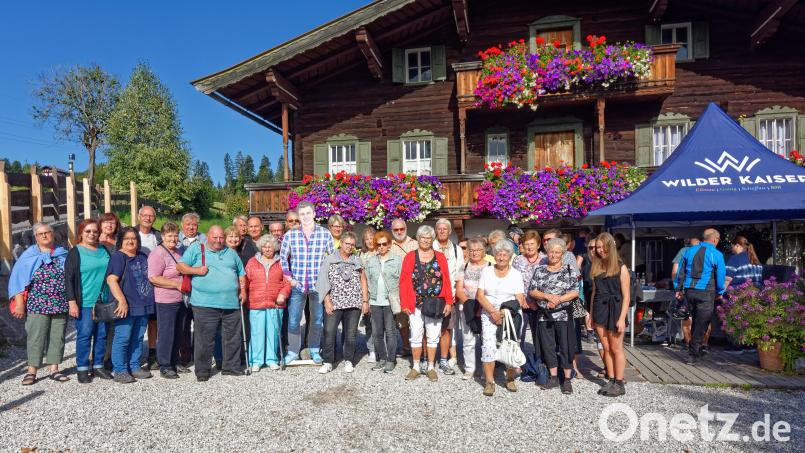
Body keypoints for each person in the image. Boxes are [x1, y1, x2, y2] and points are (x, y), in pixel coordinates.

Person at [177, 226, 247, 381]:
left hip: (231, 304)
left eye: (221, 237)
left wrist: (243, 291)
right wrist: (196, 271)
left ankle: (231, 367)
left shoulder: (231, 253)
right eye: (215, 237)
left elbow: (241, 273)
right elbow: (180, 266)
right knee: (204, 339)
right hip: (204, 303)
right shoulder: (196, 249)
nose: (218, 240)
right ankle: (202, 371)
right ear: (208, 236)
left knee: (232, 337)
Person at [9, 222, 70, 385]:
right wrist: (20, 303)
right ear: (35, 237)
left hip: (60, 302)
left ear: (53, 234)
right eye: (40, 234)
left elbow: (71, 278)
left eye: (47, 232)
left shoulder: (62, 254)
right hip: (38, 303)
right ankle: (32, 371)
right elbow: (17, 281)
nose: (44, 235)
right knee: (36, 337)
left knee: (58, 336)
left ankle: (54, 369)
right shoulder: (28, 256)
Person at [279, 201, 334, 364]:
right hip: (298, 285)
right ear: (298, 216)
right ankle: (293, 351)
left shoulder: (325, 234)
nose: (305, 217)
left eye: (308, 213)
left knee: (317, 320)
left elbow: (332, 258)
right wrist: (290, 278)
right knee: (294, 320)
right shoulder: (290, 235)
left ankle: (314, 350)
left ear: (314, 214)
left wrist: (327, 281)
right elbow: (283, 258)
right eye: (302, 214)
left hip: (318, 286)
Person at [400, 225, 453, 382]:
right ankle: (416, 367)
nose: (425, 240)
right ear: (418, 239)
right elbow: (403, 282)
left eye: (428, 238)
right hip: (415, 303)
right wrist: (404, 303)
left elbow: (447, 280)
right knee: (416, 335)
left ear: (432, 239)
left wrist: (449, 302)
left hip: (436, 303)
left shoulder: (440, 257)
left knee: (433, 336)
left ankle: (430, 367)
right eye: (422, 237)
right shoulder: (410, 257)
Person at [529, 237, 580, 395]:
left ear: (562, 253)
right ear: (547, 252)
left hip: (563, 315)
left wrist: (558, 299)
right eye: (551, 251)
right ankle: (552, 377)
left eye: (557, 252)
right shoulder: (539, 270)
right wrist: (547, 297)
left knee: (565, 347)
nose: (554, 254)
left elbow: (575, 292)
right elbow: (532, 291)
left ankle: (566, 379)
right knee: (548, 346)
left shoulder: (570, 269)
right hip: (544, 315)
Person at [476, 239, 526, 396]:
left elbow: (519, 298)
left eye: (505, 255)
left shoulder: (516, 274)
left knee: (509, 345)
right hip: (489, 313)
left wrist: (504, 312)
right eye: (498, 254)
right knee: (489, 347)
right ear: (494, 255)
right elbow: (480, 295)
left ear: (510, 256)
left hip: (510, 315)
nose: (501, 257)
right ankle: (489, 382)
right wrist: (493, 312)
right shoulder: (486, 271)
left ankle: (509, 378)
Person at [107, 226, 156, 384]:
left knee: (138, 337)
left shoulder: (142, 255)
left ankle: (134, 366)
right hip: (126, 305)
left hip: (143, 304)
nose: (130, 241)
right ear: (121, 240)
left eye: (133, 238)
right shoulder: (118, 257)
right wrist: (121, 300)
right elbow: (111, 280)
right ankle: (120, 369)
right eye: (127, 238)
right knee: (123, 337)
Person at [66, 219, 113, 383]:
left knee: (102, 335)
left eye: (94, 231)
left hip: (103, 301)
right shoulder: (75, 252)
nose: (92, 234)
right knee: (85, 335)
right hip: (85, 302)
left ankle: (98, 365)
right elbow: (69, 279)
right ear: (81, 233)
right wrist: (72, 301)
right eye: (88, 231)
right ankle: (82, 368)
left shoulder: (104, 250)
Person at [316, 232, 368, 373]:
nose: (349, 247)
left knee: (350, 334)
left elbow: (363, 280)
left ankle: (348, 360)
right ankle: (327, 361)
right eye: (347, 243)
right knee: (329, 331)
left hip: (353, 303)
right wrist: (327, 301)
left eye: (352, 244)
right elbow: (322, 280)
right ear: (341, 243)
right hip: (334, 302)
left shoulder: (357, 260)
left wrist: (365, 300)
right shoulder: (330, 259)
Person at [675, 228, 726, 365]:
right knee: (701, 323)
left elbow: (680, 272)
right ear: (715, 239)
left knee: (696, 320)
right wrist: (720, 292)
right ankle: (693, 354)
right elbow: (720, 277)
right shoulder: (716, 254)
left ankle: (695, 350)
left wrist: (678, 289)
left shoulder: (689, 251)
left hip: (689, 291)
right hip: (706, 291)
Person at [590, 233, 631, 397]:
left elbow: (626, 296)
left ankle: (620, 383)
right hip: (600, 308)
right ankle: (611, 379)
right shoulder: (596, 265)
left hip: (615, 309)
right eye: (597, 247)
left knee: (616, 348)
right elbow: (594, 292)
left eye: (602, 247)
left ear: (610, 247)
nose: (600, 251)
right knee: (605, 348)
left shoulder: (621, 267)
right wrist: (591, 314)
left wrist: (622, 318)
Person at [147, 222, 189, 379]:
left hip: (181, 299)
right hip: (166, 299)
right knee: (166, 332)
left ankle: (175, 360)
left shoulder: (179, 252)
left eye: (175, 235)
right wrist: (176, 284)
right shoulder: (158, 253)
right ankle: (164, 364)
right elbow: (153, 277)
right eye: (169, 235)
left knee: (179, 331)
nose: (173, 238)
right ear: (163, 237)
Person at [244, 235, 291, 372]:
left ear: (275, 247)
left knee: (274, 332)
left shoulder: (282, 262)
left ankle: (271, 359)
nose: (267, 249)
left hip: (276, 303)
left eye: (270, 246)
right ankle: (256, 361)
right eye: (264, 246)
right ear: (260, 247)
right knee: (257, 333)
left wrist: (283, 294)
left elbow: (288, 282)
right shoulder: (252, 262)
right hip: (256, 302)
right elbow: (246, 280)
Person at [364, 231, 402, 373]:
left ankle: (391, 360)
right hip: (375, 301)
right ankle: (382, 359)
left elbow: (402, 281)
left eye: (384, 244)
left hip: (389, 301)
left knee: (391, 332)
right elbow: (367, 281)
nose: (381, 247)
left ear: (389, 245)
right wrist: (366, 301)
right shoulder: (371, 261)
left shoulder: (397, 260)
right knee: (377, 332)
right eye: (378, 244)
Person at [454, 237, 489, 380]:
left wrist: (481, 305)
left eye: (478, 250)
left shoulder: (490, 267)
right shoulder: (464, 266)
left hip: (485, 307)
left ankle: (485, 369)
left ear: (484, 251)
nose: (475, 253)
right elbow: (459, 289)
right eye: (472, 250)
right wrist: (469, 304)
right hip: (467, 307)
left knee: (486, 340)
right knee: (468, 339)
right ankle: (470, 368)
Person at [432, 218, 464, 375]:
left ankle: (443, 360)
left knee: (446, 328)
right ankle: (427, 359)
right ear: (436, 231)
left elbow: (459, 274)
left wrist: (455, 295)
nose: (443, 231)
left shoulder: (457, 250)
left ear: (450, 231)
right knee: (428, 329)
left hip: (449, 295)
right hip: (431, 295)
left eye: (445, 229)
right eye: (440, 228)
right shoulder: (429, 247)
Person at [511, 230, 542, 381]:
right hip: (522, 302)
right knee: (519, 335)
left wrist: (537, 301)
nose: (529, 247)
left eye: (532, 244)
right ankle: (520, 366)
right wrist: (522, 299)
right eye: (526, 244)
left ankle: (538, 366)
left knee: (539, 336)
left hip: (540, 304)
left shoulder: (544, 259)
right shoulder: (518, 260)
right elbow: (514, 281)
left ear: (538, 245)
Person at [135, 205, 161, 369]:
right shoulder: (130, 233)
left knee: (153, 320)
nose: (147, 218)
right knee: (136, 319)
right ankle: (134, 355)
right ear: (139, 216)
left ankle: (152, 351)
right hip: (134, 282)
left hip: (153, 283)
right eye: (145, 215)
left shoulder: (158, 236)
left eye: (151, 216)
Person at [389, 218, 417, 357]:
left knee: (417, 320)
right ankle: (406, 347)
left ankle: (419, 349)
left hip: (414, 288)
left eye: (401, 229)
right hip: (397, 289)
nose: (399, 232)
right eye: (396, 230)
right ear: (392, 230)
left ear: (406, 228)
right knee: (401, 321)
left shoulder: (415, 244)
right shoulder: (389, 245)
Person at [670, 237, 700, 349]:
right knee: (702, 316)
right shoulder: (707, 252)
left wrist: (676, 286)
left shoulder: (683, 251)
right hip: (702, 289)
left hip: (684, 288)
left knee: (685, 315)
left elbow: (674, 271)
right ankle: (703, 344)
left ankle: (689, 344)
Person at [359, 226, 378, 363]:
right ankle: (372, 349)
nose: (370, 241)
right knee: (369, 323)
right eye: (367, 239)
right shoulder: (362, 255)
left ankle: (382, 348)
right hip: (367, 292)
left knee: (382, 323)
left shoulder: (381, 251)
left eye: (372, 238)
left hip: (380, 293)